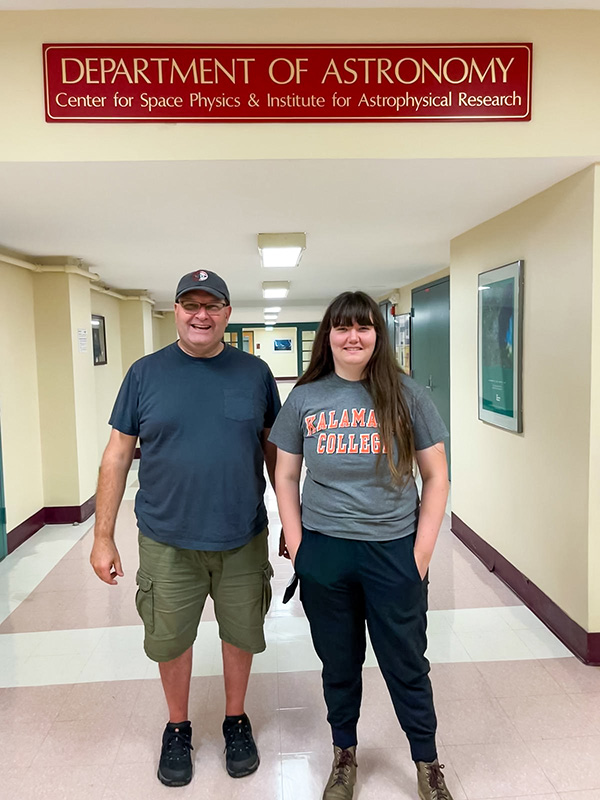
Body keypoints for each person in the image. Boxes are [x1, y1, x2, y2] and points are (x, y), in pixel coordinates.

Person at [90, 269, 280, 787]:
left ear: (227, 313)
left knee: (241, 634)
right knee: (171, 639)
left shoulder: (254, 373)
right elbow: (117, 455)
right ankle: (178, 727)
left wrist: (295, 519)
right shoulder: (144, 374)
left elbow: (275, 453)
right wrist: (102, 535)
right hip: (166, 538)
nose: (201, 315)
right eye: (190, 305)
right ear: (175, 310)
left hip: (242, 535)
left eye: (212, 305)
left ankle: (235, 718)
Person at [269, 291, 452, 800]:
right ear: (327, 336)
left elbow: (437, 476)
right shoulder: (305, 398)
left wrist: (419, 556)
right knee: (339, 662)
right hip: (326, 551)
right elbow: (285, 475)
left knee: (407, 664)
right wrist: (300, 545)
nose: (354, 337)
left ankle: (427, 761)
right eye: (343, 327)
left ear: (378, 335)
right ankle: (344, 753)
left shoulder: (407, 394)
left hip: (393, 551)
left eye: (364, 327)